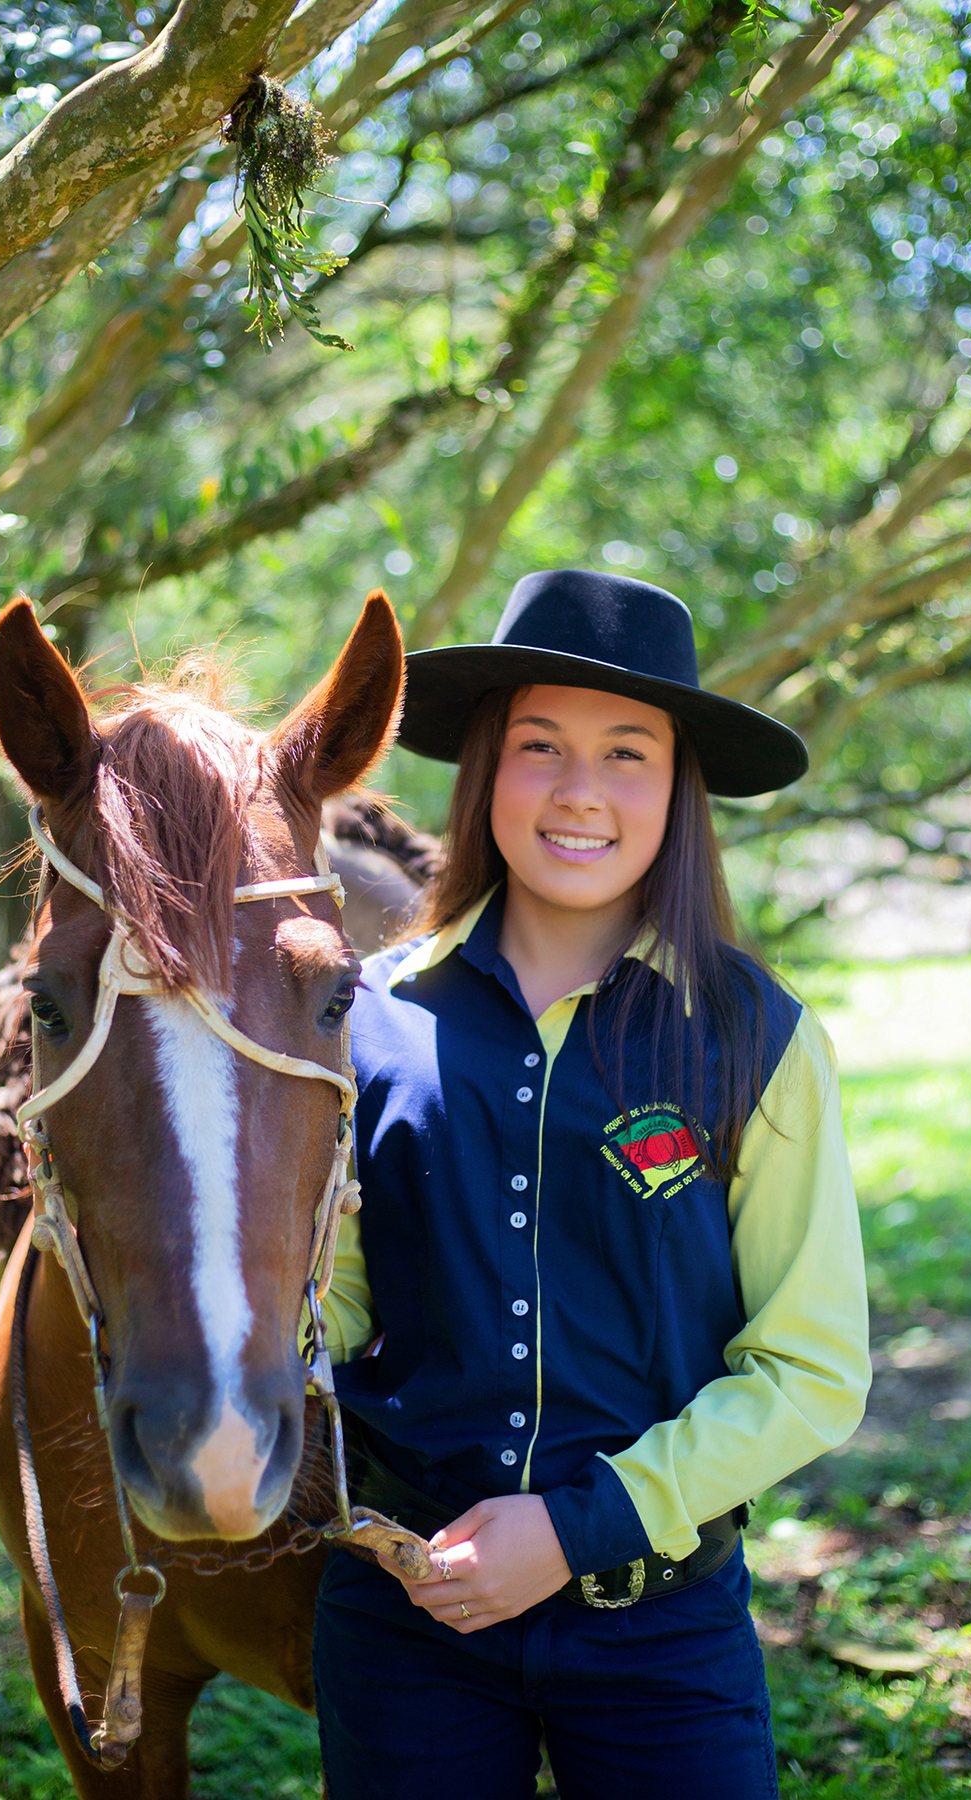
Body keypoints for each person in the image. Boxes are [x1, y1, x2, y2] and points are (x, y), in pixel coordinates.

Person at [310, 570, 871, 1800]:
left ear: (679, 789)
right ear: (483, 774)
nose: (578, 790)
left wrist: (575, 1530)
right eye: (539, 747)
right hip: (410, 1622)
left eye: (627, 754)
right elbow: (339, 1318)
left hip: (662, 1630)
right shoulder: (367, 1023)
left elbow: (812, 1372)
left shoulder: (756, 1040)